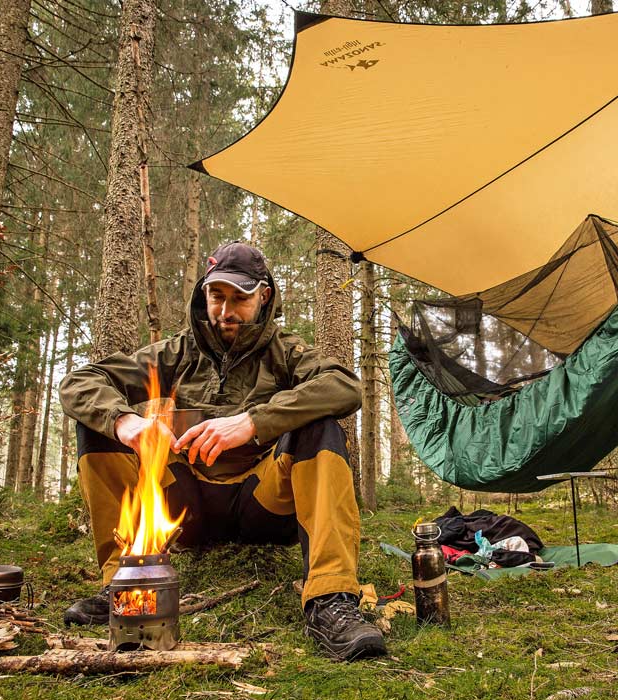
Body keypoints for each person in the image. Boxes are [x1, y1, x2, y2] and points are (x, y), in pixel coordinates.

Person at [58, 241, 386, 661]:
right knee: (100, 425)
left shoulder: (285, 351)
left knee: (320, 426)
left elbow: (345, 386)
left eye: (240, 298)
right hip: (187, 505)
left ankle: (330, 599)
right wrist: (128, 423)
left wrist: (252, 423)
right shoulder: (178, 352)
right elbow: (79, 383)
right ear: (204, 294)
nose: (226, 311)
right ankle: (127, 582)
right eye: (217, 296)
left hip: (263, 504)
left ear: (263, 296)